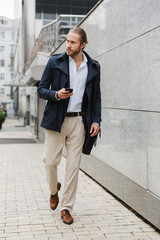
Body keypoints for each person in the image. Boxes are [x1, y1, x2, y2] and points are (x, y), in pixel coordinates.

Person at [38, 27, 101, 225]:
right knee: (50, 162)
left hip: (79, 122)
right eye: (67, 41)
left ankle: (66, 207)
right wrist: (56, 94)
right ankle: (53, 190)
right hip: (56, 119)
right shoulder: (54, 62)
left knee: (73, 167)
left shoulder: (93, 67)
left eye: (73, 42)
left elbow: (97, 97)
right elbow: (41, 89)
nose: (68, 45)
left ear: (83, 45)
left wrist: (96, 121)